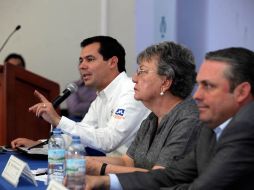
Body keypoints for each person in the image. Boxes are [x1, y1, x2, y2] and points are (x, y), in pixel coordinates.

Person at [85, 47, 254, 190]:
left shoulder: (243, 128)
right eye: (199, 85)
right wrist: (105, 181)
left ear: (242, 92)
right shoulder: (209, 126)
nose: (197, 96)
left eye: (208, 86)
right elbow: (172, 175)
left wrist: (99, 170)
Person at [11, 36, 150, 156]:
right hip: (110, 170)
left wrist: (58, 120)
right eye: (81, 61)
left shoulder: (131, 91)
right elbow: (79, 139)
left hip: (132, 177)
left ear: (112, 62)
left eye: (90, 59)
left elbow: (109, 141)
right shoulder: (101, 97)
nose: (82, 66)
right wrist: (38, 146)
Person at [84, 41, 199, 175]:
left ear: (166, 82)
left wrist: (99, 169)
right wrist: (82, 161)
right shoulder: (152, 117)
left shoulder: (188, 119)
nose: (134, 78)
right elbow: (128, 161)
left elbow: (160, 177)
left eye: (142, 72)